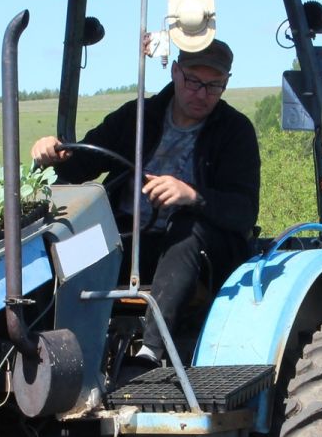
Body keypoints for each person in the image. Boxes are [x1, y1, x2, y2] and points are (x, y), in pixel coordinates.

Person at [30, 38, 258, 364]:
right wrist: (53, 153)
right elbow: (82, 161)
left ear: (226, 83)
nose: (202, 93)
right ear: (176, 72)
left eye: (214, 86)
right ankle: (46, 345)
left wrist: (193, 196)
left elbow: (243, 211)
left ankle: (150, 351)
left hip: (200, 255)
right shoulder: (138, 116)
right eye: (194, 82)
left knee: (186, 225)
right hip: (128, 243)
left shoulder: (235, 131)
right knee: (64, 249)